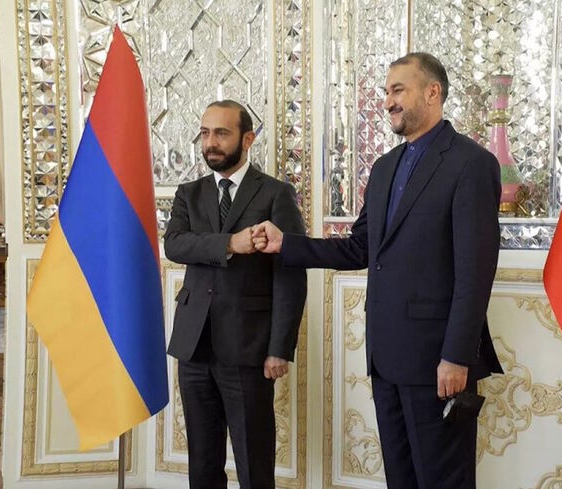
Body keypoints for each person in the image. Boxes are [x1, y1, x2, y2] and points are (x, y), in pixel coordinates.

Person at [253, 53, 502, 488]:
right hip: (386, 359)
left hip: (437, 362)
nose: (388, 101)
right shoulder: (386, 167)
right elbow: (359, 248)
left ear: (432, 92)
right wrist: (286, 244)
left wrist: (456, 356)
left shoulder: (471, 163)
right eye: (386, 92)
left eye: (398, 90)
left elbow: (475, 272)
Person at [164, 100, 307, 489]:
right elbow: (175, 245)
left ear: (248, 139)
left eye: (221, 133)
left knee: (253, 461)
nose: (210, 142)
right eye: (205, 133)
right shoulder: (188, 194)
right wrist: (232, 243)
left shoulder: (276, 194)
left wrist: (280, 347)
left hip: (249, 348)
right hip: (194, 347)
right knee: (203, 463)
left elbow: (291, 277)